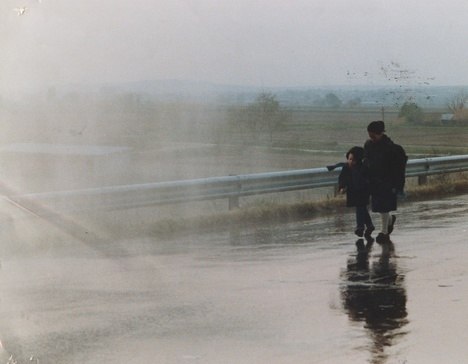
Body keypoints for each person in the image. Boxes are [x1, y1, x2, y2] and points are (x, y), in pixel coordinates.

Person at [363, 120, 406, 244]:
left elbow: (397, 168)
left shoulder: (391, 148)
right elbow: (366, 160)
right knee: (378, 207)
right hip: (374, 180)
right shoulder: (368, 145)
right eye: (370, 135)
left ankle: (384, 232)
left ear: (380, 133)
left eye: (373, 135)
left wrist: (397, 185)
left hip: (387, 181)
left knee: (383, 206)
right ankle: (390, 220)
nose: (372, 138)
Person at [338, 146, 375, 245]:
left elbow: (368, 178)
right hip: (353, 191)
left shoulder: (363, 168)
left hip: (363, 191)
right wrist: (342, 187)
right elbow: (342, 178)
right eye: (349, 159)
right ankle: (370, 225)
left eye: (353, 160)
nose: (350, 161)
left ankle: (360, 227)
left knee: (360, 207)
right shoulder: (346, 167)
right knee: (362, 207)